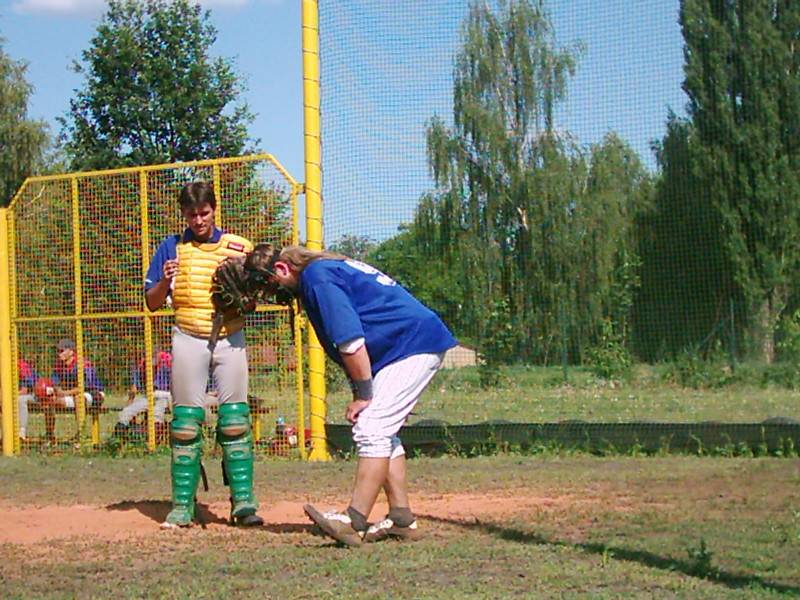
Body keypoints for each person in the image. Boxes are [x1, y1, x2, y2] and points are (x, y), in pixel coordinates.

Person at [258, 244, 457, 546]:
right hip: (405, 345)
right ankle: (402, 519)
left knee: (372, 428)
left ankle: (354, 520)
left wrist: (364, 394)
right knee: (380, 428)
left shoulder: (316, 277)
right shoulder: (323, 270)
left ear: (283, 269)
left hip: (412, 344)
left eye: (270, 286)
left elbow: (350, 340)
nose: (272, 295)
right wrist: (361, 391)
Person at [145, 180, 263, 528]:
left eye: (204, 213)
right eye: (192, 214)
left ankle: (243, 502)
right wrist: (166, 281)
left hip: (229, 334)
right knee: (184, 424)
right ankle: (182, 504)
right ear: (183, 214)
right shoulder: (171, 248)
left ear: (214, 209)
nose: (198, 220)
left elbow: (254, 301)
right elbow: (152, 304)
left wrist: (245, 292)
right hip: (189, 334)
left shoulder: (238, 247)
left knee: (236, 420)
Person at [114, 347, 172, 439]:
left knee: (156, 413)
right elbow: (134, 390)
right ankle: (116, 441)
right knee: (125, 413)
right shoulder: (143, 365)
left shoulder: (168, 363)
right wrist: (129, 404)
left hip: (166, 396)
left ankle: (154, 443)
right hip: (149, 396)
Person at [17, 358, 38, 441]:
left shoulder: (22, 367)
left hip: (33, 394)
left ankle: (22, 431)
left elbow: (24, 391)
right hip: (17, 394)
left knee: (21, 399)